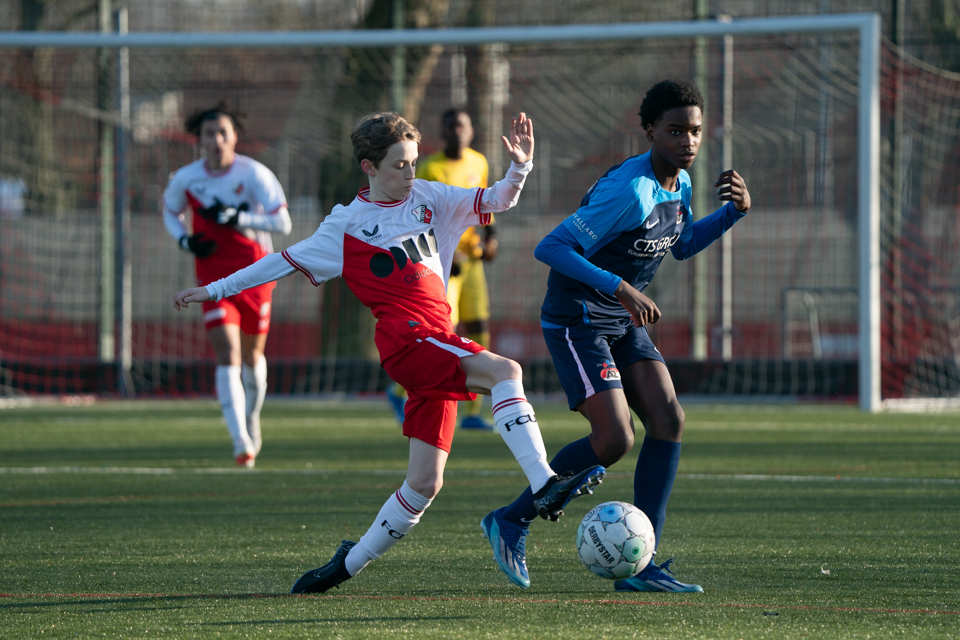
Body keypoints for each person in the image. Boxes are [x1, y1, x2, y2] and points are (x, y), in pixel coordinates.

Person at [172, 111, 605, 594]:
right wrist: (214, 290)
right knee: (506, 370)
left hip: (437, 337)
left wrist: (519, 168)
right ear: (369, 167)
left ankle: (342, 567)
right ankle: (544, 483)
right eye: (399, 165)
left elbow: (498, 200)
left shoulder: (431, 197)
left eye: (414, 162)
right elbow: (278, 261)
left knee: (424, 484)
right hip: (406, 337)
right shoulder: (346, 226)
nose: (410, 173)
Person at [480, 79, 752, 592]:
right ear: (650, 130)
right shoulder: (628, 189)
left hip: (620, 319)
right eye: (674, 131)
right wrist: (622, 287)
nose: (687, 141)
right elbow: (552, 247)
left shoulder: (680, 184)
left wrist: (732, 213)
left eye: (694, 131)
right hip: (577, 316)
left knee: (668, 419)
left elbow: (684, 244)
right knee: (614, 439)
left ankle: (641, 565)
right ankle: (511, 519)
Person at [163, 101, 292, 468]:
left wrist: (239, 216)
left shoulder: (254, 174)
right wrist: (185, 240)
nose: (217, 140)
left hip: (255, 274)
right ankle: (240, 441)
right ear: (199, 139)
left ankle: (251, 417)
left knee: (252, 356)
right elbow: (170, 211)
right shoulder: (187, 179)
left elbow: (282, 223)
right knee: (227, 354)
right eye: (209, 133)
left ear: (235, 136)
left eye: (223, 132)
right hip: (211, 277)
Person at [387, 108, 498, 430]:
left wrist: (491, 238)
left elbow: (485, 205)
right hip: (446, 263)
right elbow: (425, 216)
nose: (457, 132)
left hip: (472, 262)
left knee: (478, 328)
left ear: (471, 130)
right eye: (450, 127)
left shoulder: (479, 162)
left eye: (461, 125)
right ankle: (399, 390)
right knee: (440, 332)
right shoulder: (432, 167)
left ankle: (474, 415)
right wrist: (442, 258)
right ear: (443, 132)